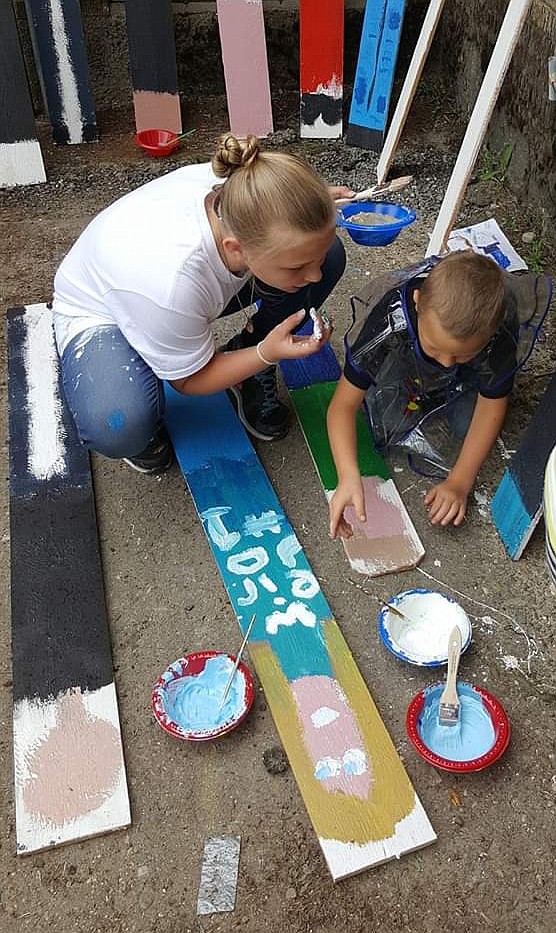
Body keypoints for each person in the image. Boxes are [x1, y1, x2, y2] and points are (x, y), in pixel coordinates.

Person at [52, 134, 352, 473]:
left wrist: (315, 208)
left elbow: (283, 214)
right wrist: (267, 354)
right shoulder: (172, 285)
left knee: (330, 256)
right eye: (296, 266)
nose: (312, 276)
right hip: (102, 311)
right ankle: (138, 409)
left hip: (169, 293)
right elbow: (190, 381)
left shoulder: (244, 186)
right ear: (235, 248)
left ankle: (244, 356)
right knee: (119, 423)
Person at [327, 250, 521, 534]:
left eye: (460, 355)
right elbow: (342, 406)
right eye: (434, 348)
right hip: (404, 359)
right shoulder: (388, 320)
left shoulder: (498, 330)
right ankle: (435, 366)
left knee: (467, 424)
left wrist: (459, 482)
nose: (444, 363)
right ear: (417, 302)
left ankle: (451, 367)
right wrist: (347, 474)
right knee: (386, 419)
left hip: (465, 379)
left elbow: (493, 405)